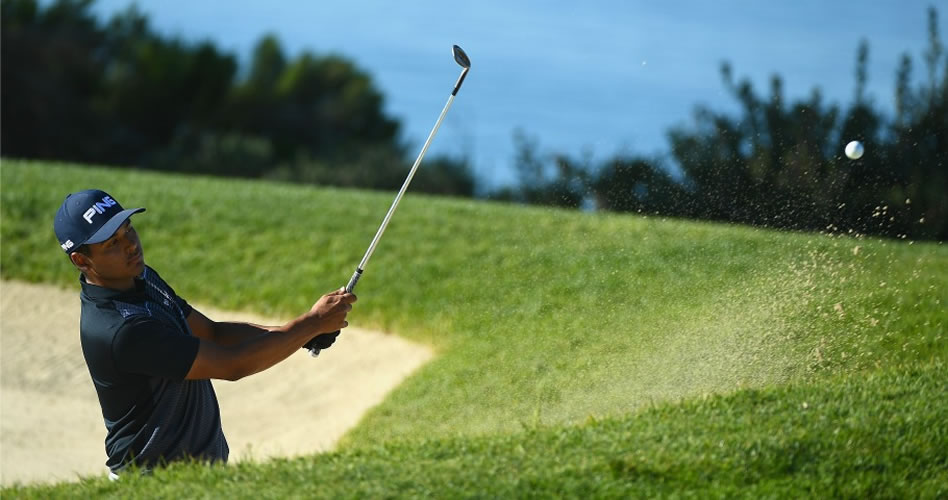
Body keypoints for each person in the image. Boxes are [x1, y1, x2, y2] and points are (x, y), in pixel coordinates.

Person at [53, 189, 355, 477]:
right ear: (81, 260)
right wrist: (312, 323)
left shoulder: (142, 276)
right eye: (112, 244)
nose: (130, 244)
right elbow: (231, 364)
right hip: (153, 482)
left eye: (128, 229)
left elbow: (211, 333)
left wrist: (300, 333)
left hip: (197, 475)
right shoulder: (121, 329)